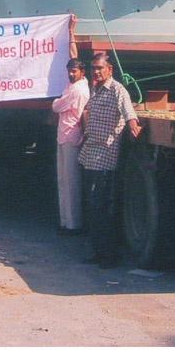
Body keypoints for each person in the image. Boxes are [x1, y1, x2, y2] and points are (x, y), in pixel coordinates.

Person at [78, 52, 141, 266]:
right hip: (89, 154)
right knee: (92, 207)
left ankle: (110, 256)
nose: (96, 72)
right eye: (94, 68)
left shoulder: (117, 90)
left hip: (105, 156)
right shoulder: (94, 90)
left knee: (102, 207)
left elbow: (128, 110)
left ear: (110, 69)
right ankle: (99, 253)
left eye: (100, 68)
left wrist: (133, 125)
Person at [51, 15, 88, 234]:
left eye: (74, 71)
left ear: (82, 73)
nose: (71, 74)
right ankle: (65, 221)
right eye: (69, 71)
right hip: (62, 135)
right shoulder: (74, 83)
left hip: (71, 138)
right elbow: (74, 55)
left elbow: (56, 106)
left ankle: (73, 224)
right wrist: (71, 31)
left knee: (71, 183)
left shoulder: (78, 90)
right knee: (62, 180)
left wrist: (56, 102)